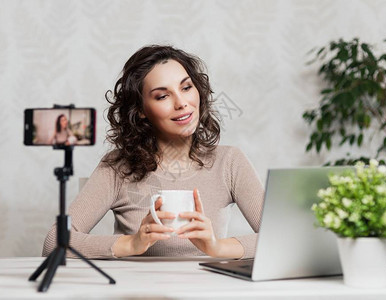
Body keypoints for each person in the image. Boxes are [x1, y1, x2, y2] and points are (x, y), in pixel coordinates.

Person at [43, 45, 264, 259]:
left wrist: (217, 247)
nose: (182, 103)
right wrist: (132, 243)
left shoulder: (229, 161)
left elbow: (285, 238)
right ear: (140, 110)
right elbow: (54, 242)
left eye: (186, 88)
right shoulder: (117, 167)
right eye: (162, 96)